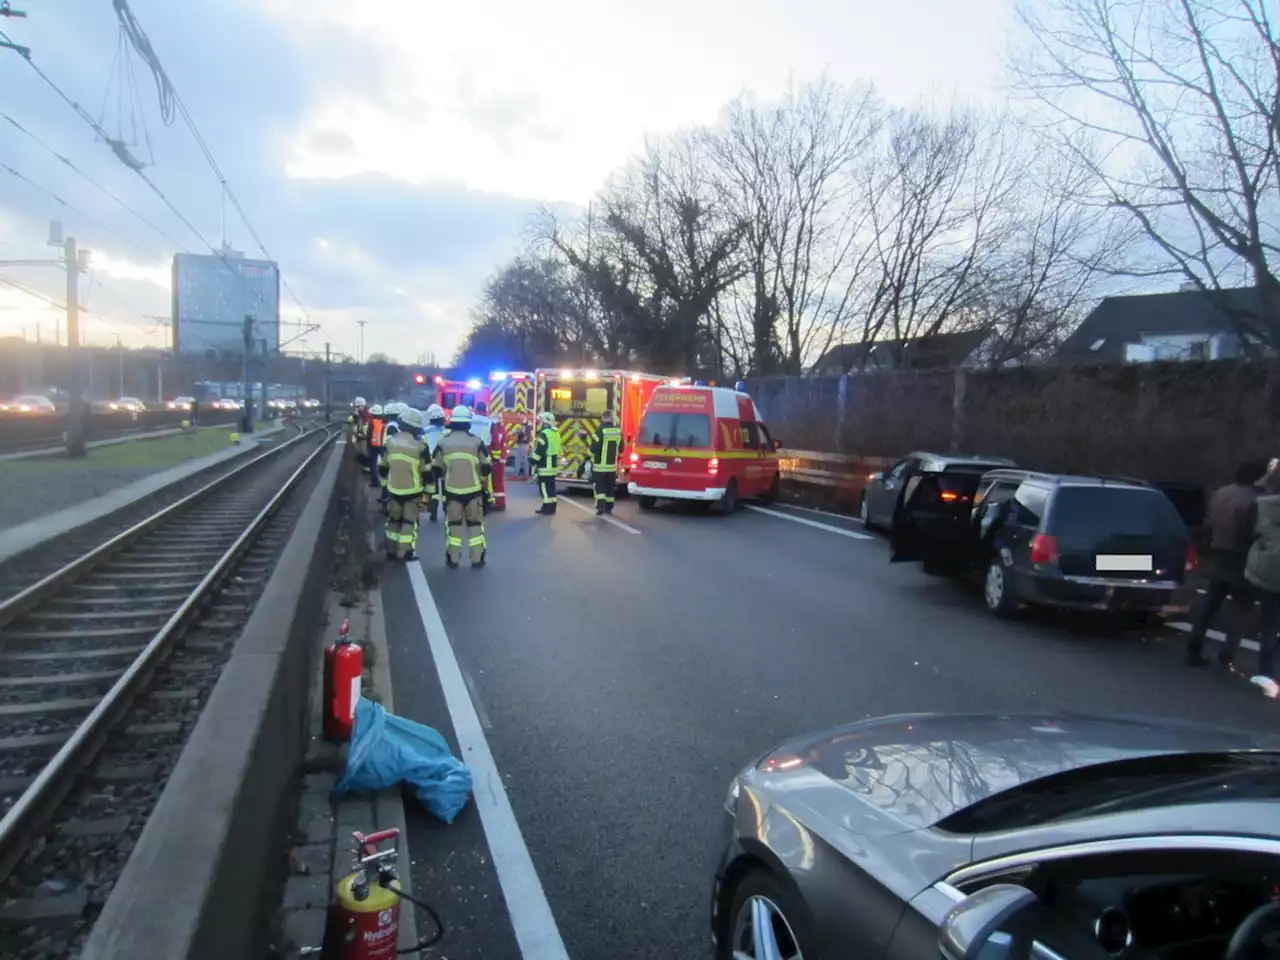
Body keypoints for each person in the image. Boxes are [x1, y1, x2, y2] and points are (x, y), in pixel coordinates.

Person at [1186, 459, 1267, 668]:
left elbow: (1208, 521)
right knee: (1241, 609)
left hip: (1219, 552)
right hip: (1242, 556)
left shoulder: (1221, 493)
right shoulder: (1256, 500)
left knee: (1211, 603)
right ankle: (1227, 653)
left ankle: (1195, 642)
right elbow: (1254, 530)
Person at [433, 405, 490, 568]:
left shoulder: (443, 443)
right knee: (475, 526)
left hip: (451, 492)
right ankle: (477, 558)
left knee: (454, 527)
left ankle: (453, 558)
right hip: (474, 491)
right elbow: (486, 466)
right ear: (468, 423)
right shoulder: (477, 442)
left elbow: (435, 468)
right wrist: (481, 480)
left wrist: (445, 477)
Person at [1246, 463, 1280, 697]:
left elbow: (1250, 533)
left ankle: (1265, 675)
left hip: (1268, 573)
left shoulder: (1263, 506)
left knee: (1269, 627)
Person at [378, 407, 429, 562]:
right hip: (412, 492)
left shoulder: (389, 442)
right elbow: (427, 473)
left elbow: (383, 467)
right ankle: (404, 553)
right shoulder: (421, 447)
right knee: (409, 523)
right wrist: (428, 495)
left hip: (393, 490)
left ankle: (391, 551)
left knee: (393, 521)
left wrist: (385, 486)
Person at [589, 409, 623, 515]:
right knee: (609, 488)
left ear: (603, 418)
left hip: (600, 466)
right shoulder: (618, 431)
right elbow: (621, 448)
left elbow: (593, 449)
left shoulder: (599, 431)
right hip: (612, 467)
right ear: (612, 419)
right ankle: (609, 507)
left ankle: (600, 507)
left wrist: (586, 459)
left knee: (600, 487)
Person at [531, 411, 561, 515]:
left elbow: (539, 451)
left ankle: (547, 508)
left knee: (544, 488)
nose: (539, 423)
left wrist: (532, 460)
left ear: (546, 422)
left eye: (541, 421)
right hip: (552, 466)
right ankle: (551, 507)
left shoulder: (544, 434)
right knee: (551, 487)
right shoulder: (555, 433)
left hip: (544, 466)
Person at [422, 404, 447, 522]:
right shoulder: (447, 431)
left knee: (433, 489)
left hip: (431, 464)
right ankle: (448, 512)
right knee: (447, 488)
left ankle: (433, 513)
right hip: (444, 463)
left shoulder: (425, 431)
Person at [470, 401, 496, 512]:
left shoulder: (469, 420)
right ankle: (488, 500)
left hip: (470, 451)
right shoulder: (489, 422)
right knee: (486, 477)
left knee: (471, 476)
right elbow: (493, 440)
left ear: (475, 409)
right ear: (485, 410)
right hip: (484, 451)